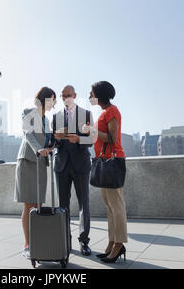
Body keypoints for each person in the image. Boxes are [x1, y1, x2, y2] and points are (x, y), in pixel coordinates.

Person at [83, 81, 128, 263]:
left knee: (117, 208)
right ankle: (112, 242)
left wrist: (92, 131)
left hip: (112, 161)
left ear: (99, 94)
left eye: (91, 93)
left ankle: (119, 244)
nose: (89, 96)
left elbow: (112, 137)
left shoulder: (112, 111)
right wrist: (91, 132)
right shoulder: (103, 112)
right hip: (104, 162)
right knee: (110, 208)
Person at [14, 87, 56, 259]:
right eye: (52, 99)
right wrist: (39, 149)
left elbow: (48, 140)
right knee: (28, 204)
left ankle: (36, 242)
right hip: (28, 161)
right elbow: (28, 134)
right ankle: (27, 244)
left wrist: (52, 145)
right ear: (44, 99)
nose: (54, 103)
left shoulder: (47, 120)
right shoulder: (29, 111)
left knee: (38, 204)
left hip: (40, 163)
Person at [52, 85, 94, 256]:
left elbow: (91, 140)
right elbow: (53, 143)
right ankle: (65, 240)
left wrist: (78, 139)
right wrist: (55, 139)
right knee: (63, 205)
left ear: (75, 95)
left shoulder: (86, 114)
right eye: (63, 96)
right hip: (61, 165)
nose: (65, 98)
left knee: (84, 203)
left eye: (68, 95)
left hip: (80, 164)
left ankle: (84, 241)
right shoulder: (55, 116)